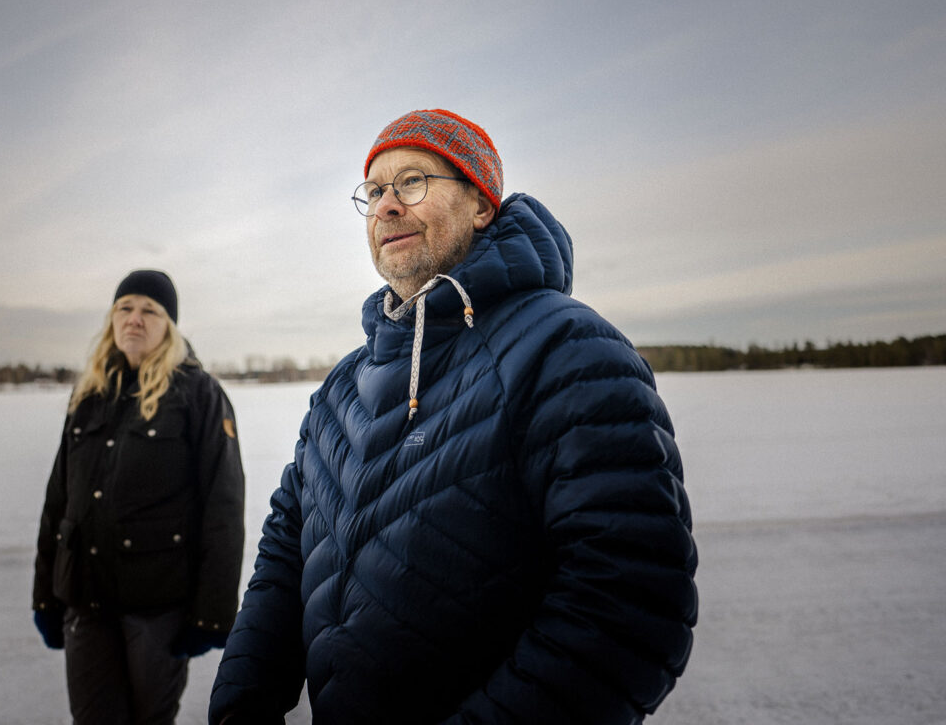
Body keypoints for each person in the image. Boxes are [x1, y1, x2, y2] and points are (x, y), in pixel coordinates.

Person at [209, 110, 697, 724]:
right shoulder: (342, 388)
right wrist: (240, 705)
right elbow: (285, 556)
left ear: (481, 204)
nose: (387, 206)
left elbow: (630, 603)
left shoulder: (566, 348)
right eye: (375, 191)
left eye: (412, 181)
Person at [34, 269, 246, 725]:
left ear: (169, 325)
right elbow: (57, 503)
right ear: (111, 320)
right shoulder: (88, 395)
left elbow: (223, 507)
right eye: (124, 308)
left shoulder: (199, 394)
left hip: (158, 608)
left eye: (149, 310)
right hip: (84, 601)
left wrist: (211, 613)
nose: (134, 318)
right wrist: (45, 597)